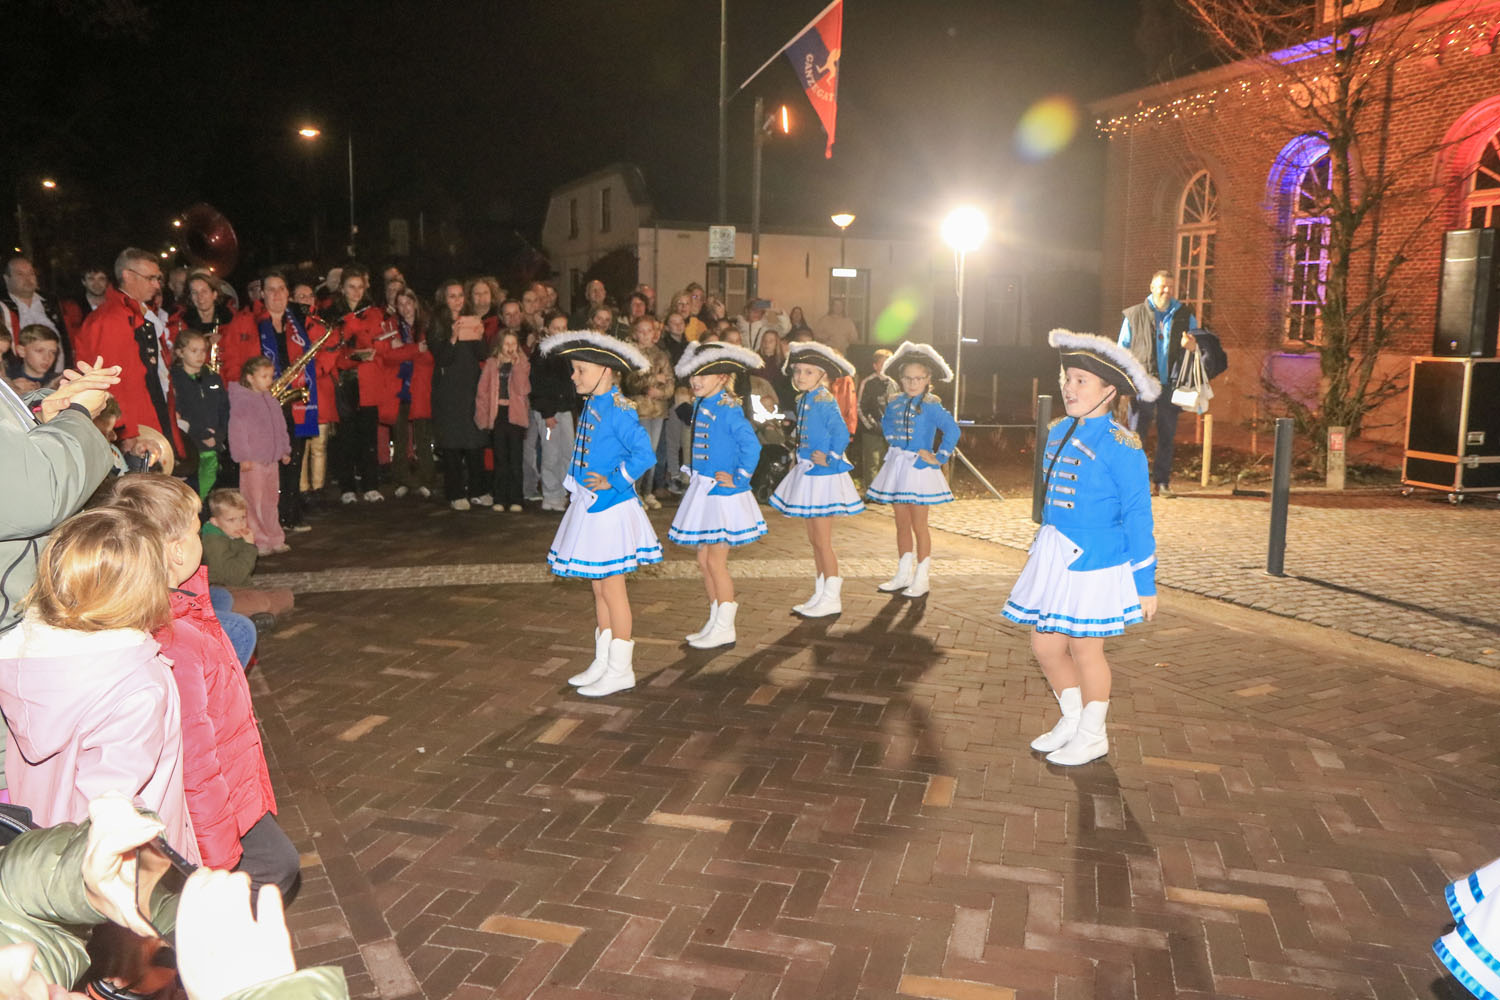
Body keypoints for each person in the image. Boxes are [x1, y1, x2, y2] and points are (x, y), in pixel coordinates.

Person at [100, 475, 299, 897]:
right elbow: (194, 757)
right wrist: (217, 859)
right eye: (195, 531)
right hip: (214, 803)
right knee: (274, 867)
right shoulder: (175, 640)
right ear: (175, 550)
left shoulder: (180, 610)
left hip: (230, 784)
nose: (201, 540)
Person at [0, 507, 198, 861]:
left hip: (46, 851)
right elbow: (109, 817)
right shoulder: (136, 686)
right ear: (145, 589)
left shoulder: (25, 661)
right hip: (130, 872)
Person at [1002, 329, 1160, 767]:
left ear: (1109, 391)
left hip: (1096, 559)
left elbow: (1138, 515)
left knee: (1086, 650)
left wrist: (1144, 582)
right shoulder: (1058, 431)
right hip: (1057, 553)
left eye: (1080, 381)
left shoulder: (1122, 445)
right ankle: (1073, 720)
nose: (1069, 388)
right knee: (1045, 646)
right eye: (1067, 379)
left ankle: (1093, 735)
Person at [538, 329, 660, 697]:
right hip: (591, 505)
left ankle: (621, 669)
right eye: (574, 370)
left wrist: (615, 480)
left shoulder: (619, 410)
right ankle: (604, 659)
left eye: (581, 371)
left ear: (605, 372)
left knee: (613, 588)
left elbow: (644, 455)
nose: (574, 377)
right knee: (598, 586)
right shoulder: (594, 403)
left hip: (610, 509)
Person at [669, 342, 766, 649]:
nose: (695, 381)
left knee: (716, 562)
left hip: (722, 494)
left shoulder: (727, 409)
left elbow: (752, 446)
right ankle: (714, 620)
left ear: (722, 377)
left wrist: (739, 477)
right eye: (693, 375)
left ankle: (726, 626)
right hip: (705, 489)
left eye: (703, 375)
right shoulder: (702, 403)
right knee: (704, 559)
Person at [770, 342, 864, 618]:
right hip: (809, 471)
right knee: (814, 538)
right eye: (797, 371)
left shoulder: (824, 400)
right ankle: (821, 592)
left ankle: (832, 598)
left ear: (822, 375)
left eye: (808, 372)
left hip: (823, 476)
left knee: (822, 540)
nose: (801, 376)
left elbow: (841, 432)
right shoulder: (805, 399)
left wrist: (832, 457)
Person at [1117, 270, 1225, 497]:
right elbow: (1121, 351)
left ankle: (1162, 482)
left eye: (1170, 287)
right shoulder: (1134, 315)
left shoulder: (1185, 315)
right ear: (1152, 287)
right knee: (1136, 437)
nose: (1166, 291)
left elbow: (1200, 347)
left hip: (1171, 386)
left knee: (1167, 435)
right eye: (1162, 286)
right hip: (1142, 385)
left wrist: (1192, 346)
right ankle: (1133, 485)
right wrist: (1123, 384)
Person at [866, 343, 961, 599]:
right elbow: (887, 423)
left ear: (928, 379)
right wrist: (893, 441)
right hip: (898, 467)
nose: (912, 383)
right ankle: (903, 574)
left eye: (918, 378)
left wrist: (939, 456)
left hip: (919, 470)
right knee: (901, 524)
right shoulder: (895, 402)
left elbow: (952, 430)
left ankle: (922, 577)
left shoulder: (931, 405)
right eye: (907, 378)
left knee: (920, 525)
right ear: (901, 379)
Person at [74, 248, 181, 452]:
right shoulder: (111, 319)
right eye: (150, 278)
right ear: (128, 276)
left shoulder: (137, 312)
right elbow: (110, 382)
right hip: (135, 425)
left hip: (149, 415)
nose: (157, 285)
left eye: (158, 278)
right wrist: (127, 431)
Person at [320, 266, 385, 504]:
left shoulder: (374, 312)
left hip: (366, 380)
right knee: (345, 436)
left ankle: (371, 484)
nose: (356, 292)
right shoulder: (332, 313)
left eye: (360, 287)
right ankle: (347, 486)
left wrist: (370, 347)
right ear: (342, 288)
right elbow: (330, 347)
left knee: (368, 436)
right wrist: (350, 331)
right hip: (344, 380)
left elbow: (379, 342)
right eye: (351, 287)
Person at [430, 281, 489, 510]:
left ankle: (478, 490)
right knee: (452, 442)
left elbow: (482, 354)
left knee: (475, 440)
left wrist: (480, 335)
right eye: (452, 296)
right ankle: (455, 493)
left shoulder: (471, 320)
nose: (457, 300)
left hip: (471, 387)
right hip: (449, 391)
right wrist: (453, 337)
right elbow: (442, 358)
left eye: (460, 295)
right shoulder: (437, 324)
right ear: (444, 299)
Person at [228, 357, 293, 556]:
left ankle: (275, 537)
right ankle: (258, 539)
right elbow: (237, 431)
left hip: (271, 460)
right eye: (263, 376)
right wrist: (243, 457)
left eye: (270, 376)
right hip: (253, 462)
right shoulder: (242, 402)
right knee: (252, 502)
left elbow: (280, 427)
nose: (269, 380)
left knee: (271, 501)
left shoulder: (271, 400)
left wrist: (284, 449)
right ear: (250, 378)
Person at [202, 488, 296, 621]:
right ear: (215, 522)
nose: (239, 524)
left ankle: (258, 616)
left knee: (286, 595)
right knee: (260, 603)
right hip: (220, 592)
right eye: (231, 520)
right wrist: (249, 547)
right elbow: (235, 577)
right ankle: (247, 616)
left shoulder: (232, 534)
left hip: (239, 589)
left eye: (243, 517)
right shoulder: (213, 542)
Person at [383, 287, 435, 499]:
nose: (405, 308)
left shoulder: (427, 325)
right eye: (401, 304)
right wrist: (414, 350)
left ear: (415, 303)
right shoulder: (391, 326)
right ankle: (402, 479)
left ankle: (425, 479)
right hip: (399, 388)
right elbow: (388, 357)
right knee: (400, 438)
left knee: (423, 437)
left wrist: (403, 350)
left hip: (421, 387)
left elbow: (430, 357)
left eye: (408, 303)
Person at [475, 329, 531, 512]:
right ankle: (499, 497)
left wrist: (517, 366)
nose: (510, 347)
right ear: (500, 345)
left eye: (513, 344)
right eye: (507, 344)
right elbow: (482, 390)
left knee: (515, 459)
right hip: (497, 415)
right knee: (500, 459)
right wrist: (483, 415)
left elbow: (523, 389)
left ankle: (516, 499)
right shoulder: (491, 363)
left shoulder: (523, 363)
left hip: (515, 416)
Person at [170, 328, 229, 499]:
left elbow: (224, 410)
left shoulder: (212, 377)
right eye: (194, 351)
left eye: (203, 350)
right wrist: (201, 433)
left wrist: (218, 435)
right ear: (180, 352)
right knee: (190, 494)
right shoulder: (174, 379)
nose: (200, 355)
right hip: (189, 446)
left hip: (213, 445)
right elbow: (177, 413)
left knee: (207, 492)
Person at [531, 312, 580, 513]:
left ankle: (563, 493)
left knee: (567, 452)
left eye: (563, 328)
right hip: (549, 413)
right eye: (556, 328)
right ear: (548, 329)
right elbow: (539, 385)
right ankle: (551, 494)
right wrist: (547, 413)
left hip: (565, 410)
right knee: (551, 453)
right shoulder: (542, 352)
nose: (560, 331)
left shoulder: (568, 351)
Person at [625, 316, 674, 510]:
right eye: (641, 331)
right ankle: (636, 491)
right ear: (635, 333)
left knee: (652, 453)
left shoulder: (661, 355)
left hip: (658, 410)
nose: (645, 335)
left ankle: (648, 491)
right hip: (640, 410)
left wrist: (661, 392)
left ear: (655, 333)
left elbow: (669, 381)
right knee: (641, 451)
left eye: (649, 331)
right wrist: (654, 379)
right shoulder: (632, 354)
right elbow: (631, 382)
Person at [1, 256, 68, 375]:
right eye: (20, 274)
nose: (28, 278)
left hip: (58, 376)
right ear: (7, 279)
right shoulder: (3, 307)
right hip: (18, 379)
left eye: (31, 273)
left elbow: (65, 339)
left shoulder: (50, 302)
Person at [856, 348, 895, 484]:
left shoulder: (894, 384)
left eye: (888, 364)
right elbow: (860, 407)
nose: (885, 367)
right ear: (875, 366)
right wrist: (872, 425)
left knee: (887, 463)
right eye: (882, 364)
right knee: (872, 463)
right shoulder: (867, 383)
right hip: (872, 431)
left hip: (889, 432)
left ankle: (884, 491)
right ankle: (871, 491)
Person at [60, 266, 110, 344]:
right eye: (91, 279)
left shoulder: (116, 305)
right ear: (84, 282)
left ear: (107, 282)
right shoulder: (73, 308)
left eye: (101, 279)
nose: (96, 284)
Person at [4, 325, 62, 392]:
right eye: (39, 351)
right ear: (22, 351)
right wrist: (11, 389)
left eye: (53, 352)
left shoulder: (60, 382)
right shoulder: (7, 378)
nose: (47, 358)